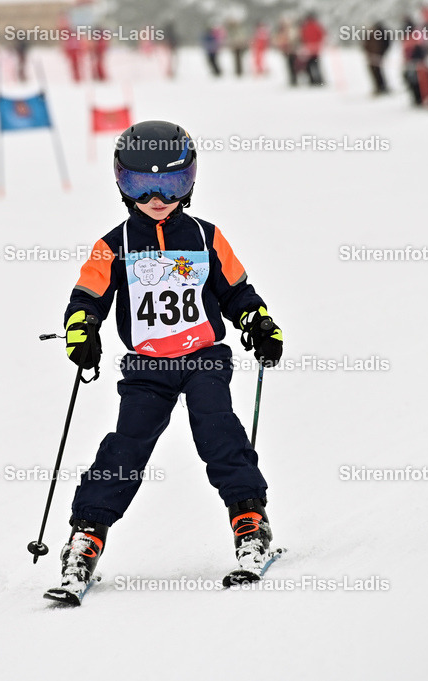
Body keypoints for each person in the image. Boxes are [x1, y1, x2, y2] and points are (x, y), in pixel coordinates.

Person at [49, 120, 284, 601]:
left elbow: (237, 291)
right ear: (121, 184)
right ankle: (87, 535)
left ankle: (249, 519)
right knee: (125, 448)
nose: (158, 196)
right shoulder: (114, 246)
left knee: (217, 429)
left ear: (190, 182)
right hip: (147, 367)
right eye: (141, 185)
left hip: (203, 357)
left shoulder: (205, 237)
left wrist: (259, 323)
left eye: (172, 184)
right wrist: (81, 330)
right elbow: (87, 297)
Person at [363, 21, 392, 95]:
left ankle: (382, 87)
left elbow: (386, 44)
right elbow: (365, 45)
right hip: (372, 56)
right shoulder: (370, 35)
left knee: (378, 72)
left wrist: (382, 53)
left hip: (377, 56)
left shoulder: (379, 34)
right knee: (374, 72)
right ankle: (378, 87)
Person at [298, 12, 326, 85]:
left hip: (309, 50)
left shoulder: (305, 27)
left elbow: (302, 37)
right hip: (316, 50)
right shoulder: (317, 26)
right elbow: (321, 35)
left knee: (309, 66)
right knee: (316, 66)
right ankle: (319, 80)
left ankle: (312, 80)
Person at [273, 17, 299, 86]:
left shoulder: (290, 30)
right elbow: (278, 40)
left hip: (291, 51)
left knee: (293, 65)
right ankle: (293, 79)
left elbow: (295, 39)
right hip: (287, 51)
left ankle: (294, 79)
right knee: (290, 66)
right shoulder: (282, 31)